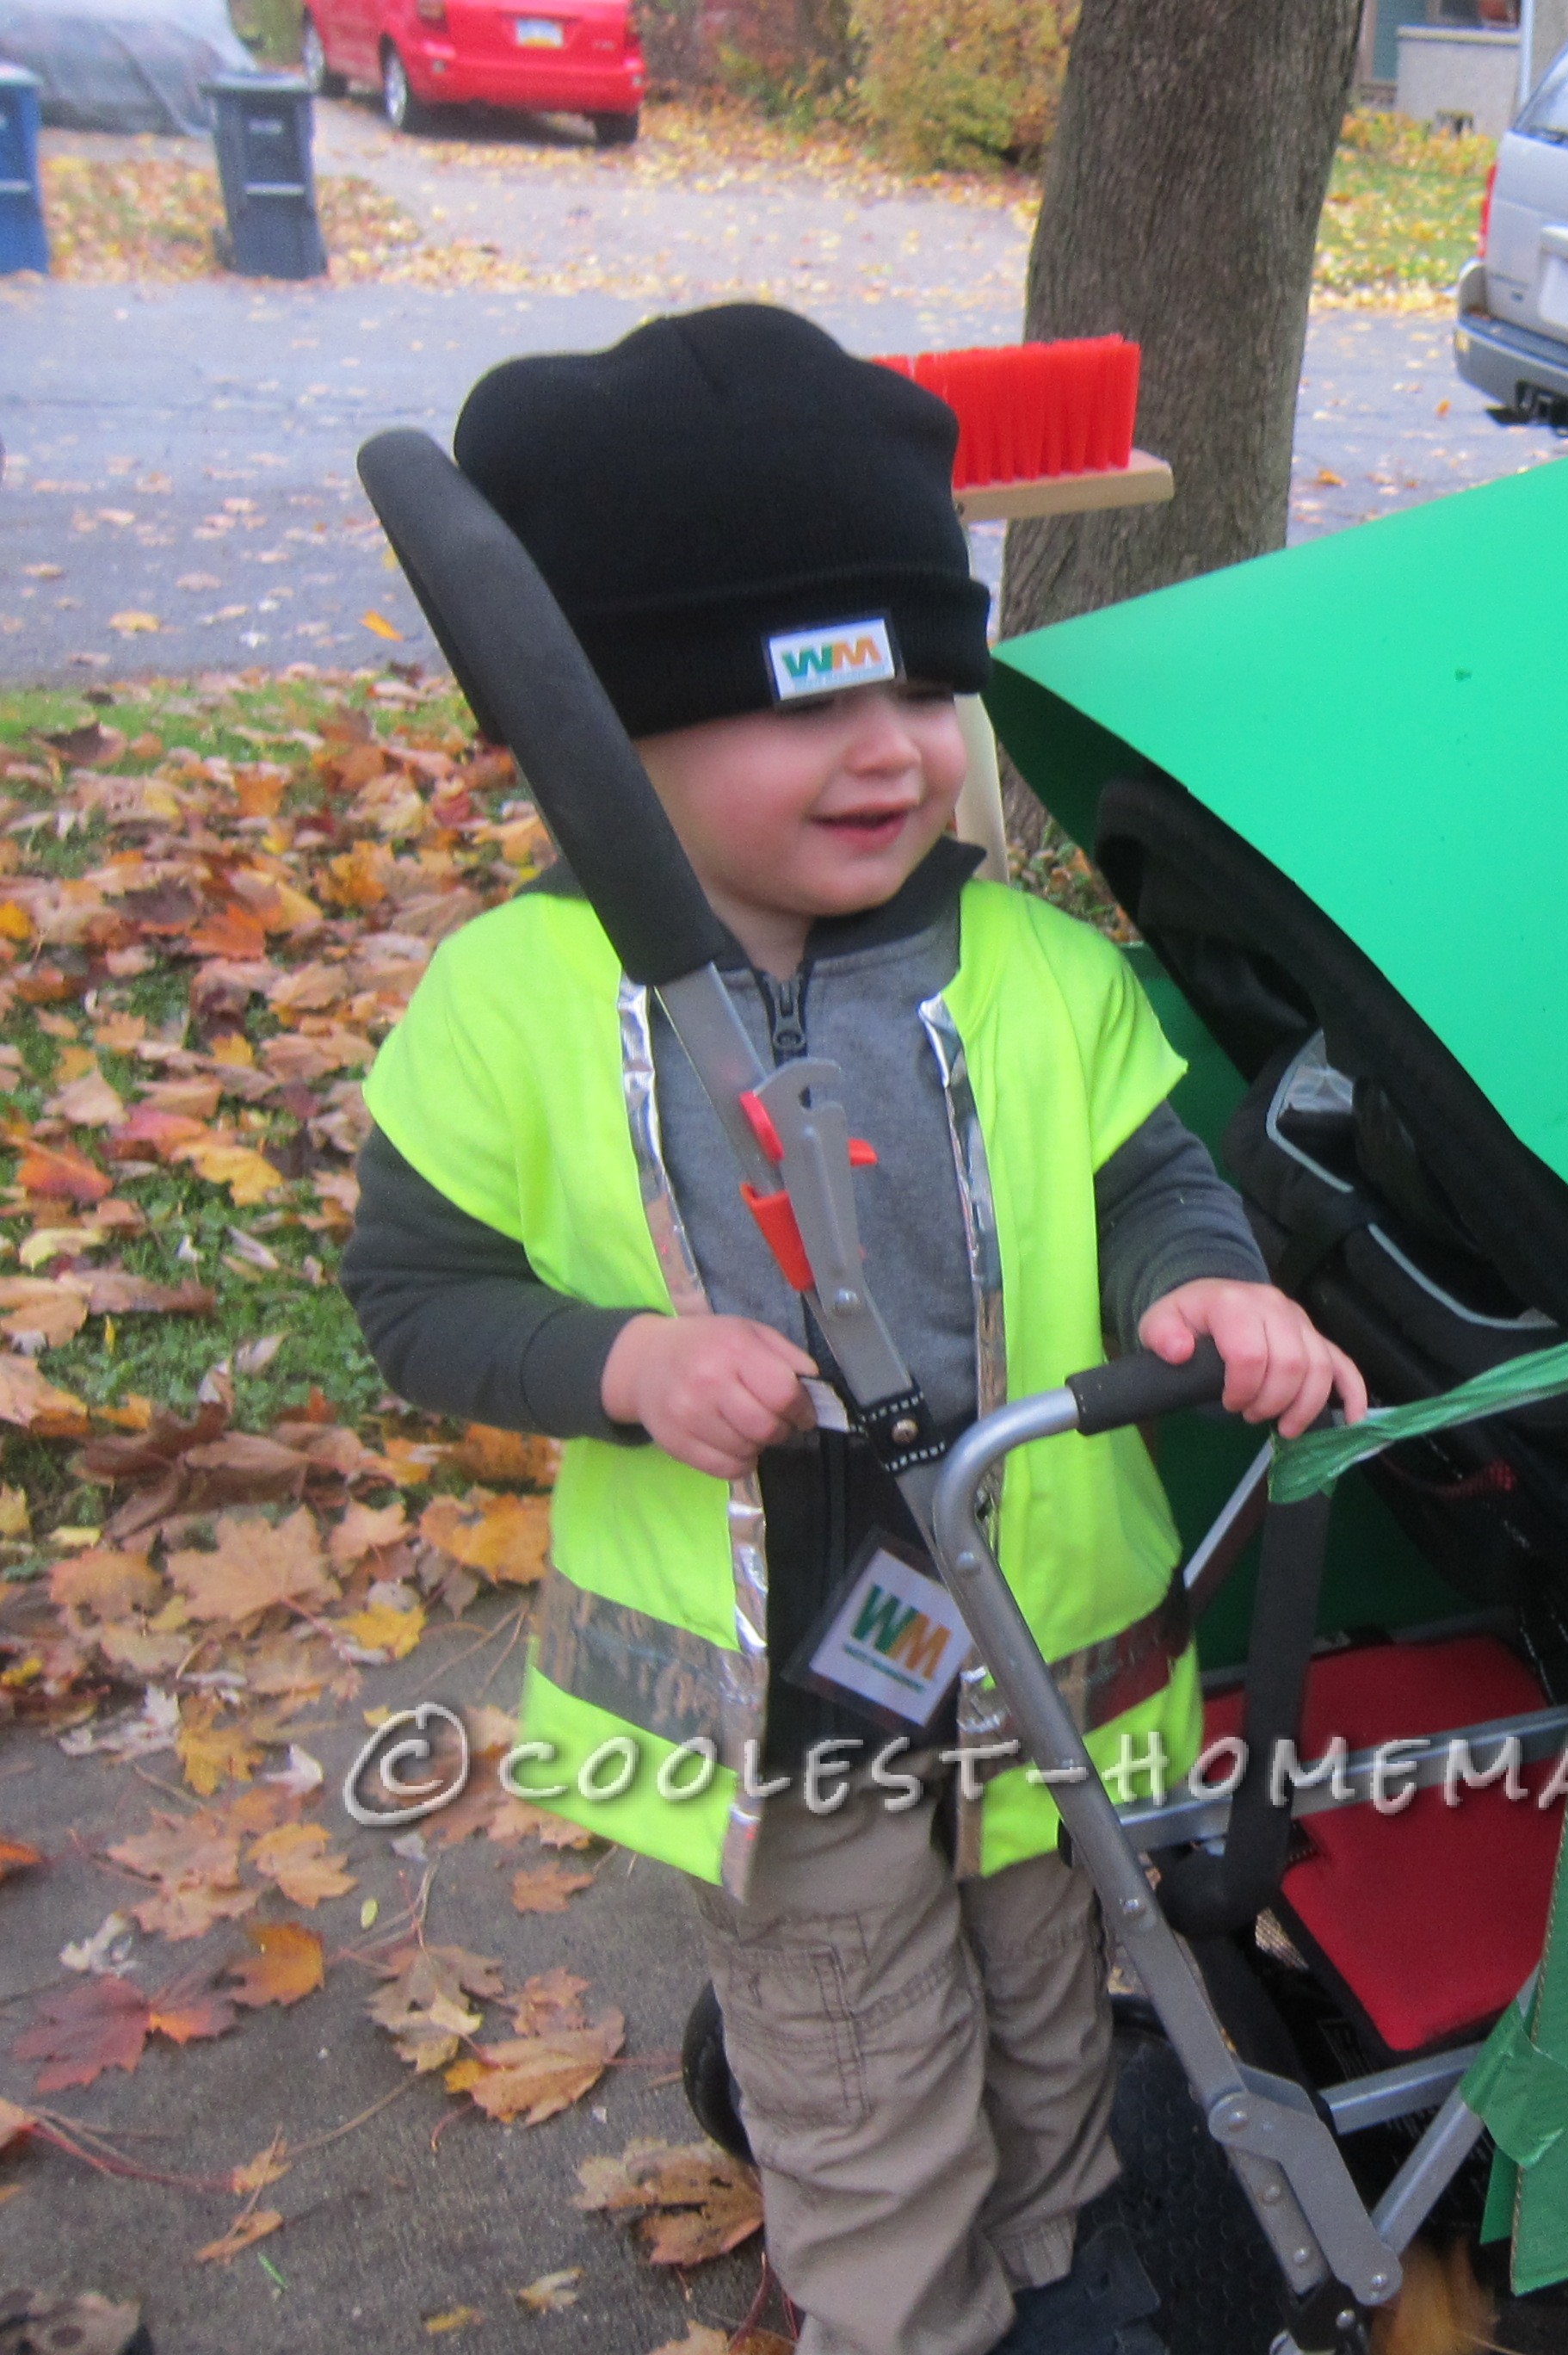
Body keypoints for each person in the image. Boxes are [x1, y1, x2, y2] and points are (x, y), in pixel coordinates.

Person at [342, 304, 1362, 2355]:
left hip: (1043, 1662)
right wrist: (624, 1365)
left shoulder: (1036, 968)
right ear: (606, 732)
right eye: (807, 697)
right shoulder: (516, 1003)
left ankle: (1065, 2247)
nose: (889, 744)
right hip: (779, 1713)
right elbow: (416, 1296)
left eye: (922, 678)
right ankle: (911, 2316)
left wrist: (1201, 1271)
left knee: (1051, 1986)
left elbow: (1148, 1172)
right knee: (854, 2054)